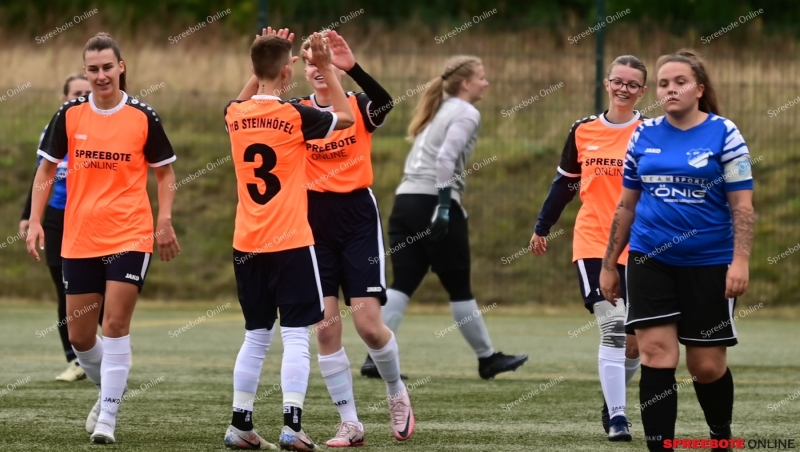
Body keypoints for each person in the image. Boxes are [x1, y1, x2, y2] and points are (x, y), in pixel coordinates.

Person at [26, 32, 180, 445]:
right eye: (92, 69)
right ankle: (111, 388)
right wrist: (35, 219)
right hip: (79, 237)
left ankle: (108, 418)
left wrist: (163, 219)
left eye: (107, 67)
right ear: (86, 70)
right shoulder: (70, 115)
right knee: (80, 336)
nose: (100, 76)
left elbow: (165, 173)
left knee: (114, 325)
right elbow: (45, 172)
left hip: (130, 234)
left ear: (121, 67)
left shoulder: (143, 116)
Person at [600, 49, 754, 452]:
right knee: (655, 355)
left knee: (705, 367)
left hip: (710, 263)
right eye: (664, 84)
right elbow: (626, 205)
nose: (670, 90)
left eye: (679, 82)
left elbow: (742, 206)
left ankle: (720, 437)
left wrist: (740, 261)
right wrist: (609, 264)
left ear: (699, 89)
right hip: (650, 258)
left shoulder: (726, 133)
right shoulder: (643, 134)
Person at [222, 30, 355, 451]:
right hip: (291, 242)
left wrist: (261, 65)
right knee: (297, 335)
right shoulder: (295, 115)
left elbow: (242, 101)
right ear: (287, 71)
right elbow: (347, 117)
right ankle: (291, 425)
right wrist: (328, 67)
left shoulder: (234, 114)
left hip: (246, 242)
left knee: (256, 335)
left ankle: (240, 425)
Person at [360, 55, 528, 380]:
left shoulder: (440, 108)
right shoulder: (466, 111)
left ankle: (373, 357)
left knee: (404, 281)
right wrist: (444, 206)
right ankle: (487, 359)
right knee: (459, 286)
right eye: (482, 77)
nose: (486, 82)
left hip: (404, 201)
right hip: (430, 202)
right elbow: (446, 157)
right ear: (466, 83)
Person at [530, 55, 647, 441]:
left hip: (642, 244)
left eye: (632, 84)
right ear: (607, 83)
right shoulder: (583, 130)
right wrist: (543, 226)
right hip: (594, 240)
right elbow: (565, 184)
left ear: (643, 91)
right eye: (618, 81)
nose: (624, 89)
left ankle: (613, 398)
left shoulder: (651, 132)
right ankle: (618, 418)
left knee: (635, 343)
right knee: (613, 327)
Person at [20, 73, 100, 382]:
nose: (80, 97)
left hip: (91, 217)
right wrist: (30, 215)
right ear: (64, 98)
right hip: (56, 217)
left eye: (85, 91)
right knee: (64, 290)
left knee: (97, 290)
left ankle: (107, 351)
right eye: (75, 93)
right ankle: (75, 360)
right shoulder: (53, 129)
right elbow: (42, 174)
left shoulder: (100, 126)